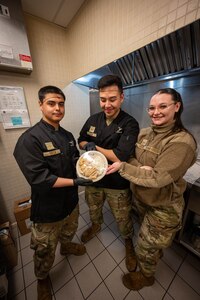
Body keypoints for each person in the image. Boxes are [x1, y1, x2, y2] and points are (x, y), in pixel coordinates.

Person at [107, 88, 197, 290]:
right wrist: (141, 168)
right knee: (150, 241)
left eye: (162, 106)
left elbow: (157, 178)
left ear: (177, 107)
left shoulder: (181, 141)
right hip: (142, 199)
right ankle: (153, 253)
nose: (155, 112)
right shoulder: (145, 133)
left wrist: (126, 167)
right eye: (152, 108)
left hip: (163, 206)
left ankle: (146, 276)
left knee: (146, 246)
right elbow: (130, 156)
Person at [13, 86, 92, 300]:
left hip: (70, 202)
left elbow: (74, 160)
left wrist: (88, 161)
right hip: (47, 209)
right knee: (44, 249)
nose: (57, 108)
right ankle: (42, 278)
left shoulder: (66, 135)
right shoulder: (30, 140)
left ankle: (66, 246)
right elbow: (39, 179)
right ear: (40, 105)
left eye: (61, 103)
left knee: (69, 230)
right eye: (51, 103)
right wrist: (76, 181)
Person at [78, 74, 139, 272]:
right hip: (93, 179)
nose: (107, 104)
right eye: (103, 100)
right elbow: (81, 140)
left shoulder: (129, 123)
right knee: (94, 208)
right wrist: (86, 144)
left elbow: (120, 154)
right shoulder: (93, 119)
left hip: (116, 182)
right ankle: (95, 226)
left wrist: (94, 147)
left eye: (112, 99)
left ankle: (128, 241)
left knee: (123, 217)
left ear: (122, 97)